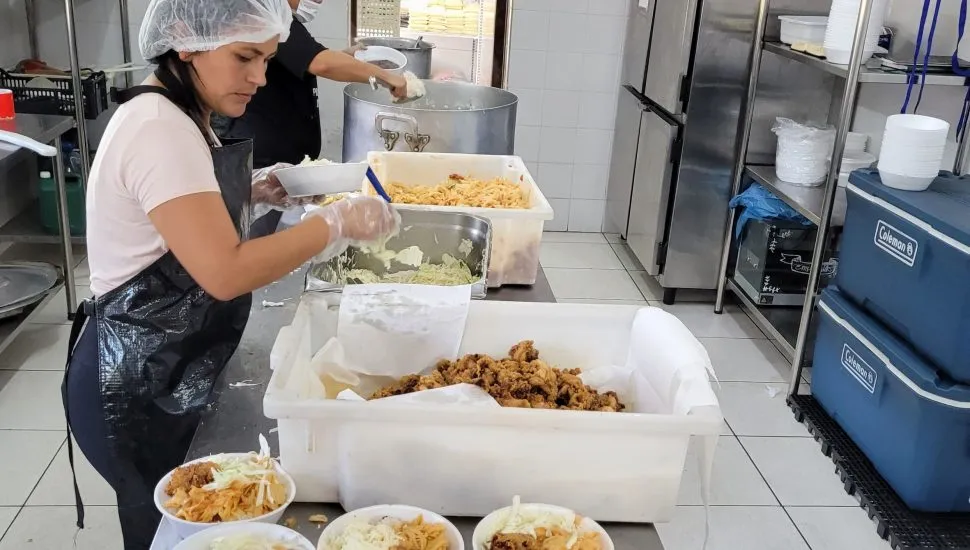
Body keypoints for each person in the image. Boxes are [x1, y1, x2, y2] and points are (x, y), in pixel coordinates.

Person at [61, 0, 399, 548]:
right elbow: (223, 271)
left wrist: (256, 187)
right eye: (245, 56)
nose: (260, 77)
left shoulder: (181, 115)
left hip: (167, 360)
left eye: (266, 58)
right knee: (180, 527)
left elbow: (178, 222)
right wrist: (334, 222)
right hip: (137, 378)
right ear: (187, 44)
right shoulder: (157, 128)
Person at [215, 0, 409, 236]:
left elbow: (306, 59)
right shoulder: (267, 14)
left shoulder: (282, 19)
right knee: (250, 238)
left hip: (275, 165)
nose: (316, 2)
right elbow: (321, 63)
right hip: (258, 161)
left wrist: (345, 58)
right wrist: (384, 76)